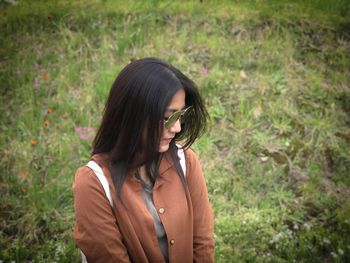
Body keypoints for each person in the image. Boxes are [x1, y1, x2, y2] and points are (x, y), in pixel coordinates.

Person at [72, 57, 214, 263]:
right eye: (168, 117)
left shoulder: (186, 161)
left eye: (181, 116)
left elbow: (203, 244)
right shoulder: (92, 184)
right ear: (133, 116)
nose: (177, 128)